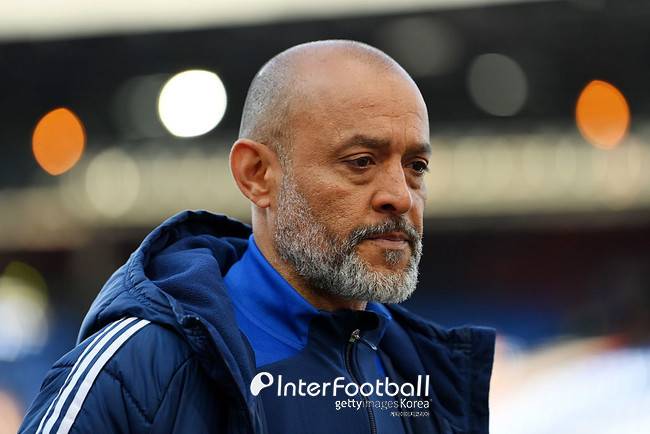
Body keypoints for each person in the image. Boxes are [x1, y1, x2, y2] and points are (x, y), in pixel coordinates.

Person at [19, 40, 495, 434]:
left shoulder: (426, 376)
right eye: (361, 162)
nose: (400, 196)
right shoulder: (135, 369)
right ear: (257, 175)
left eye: (416, 166)